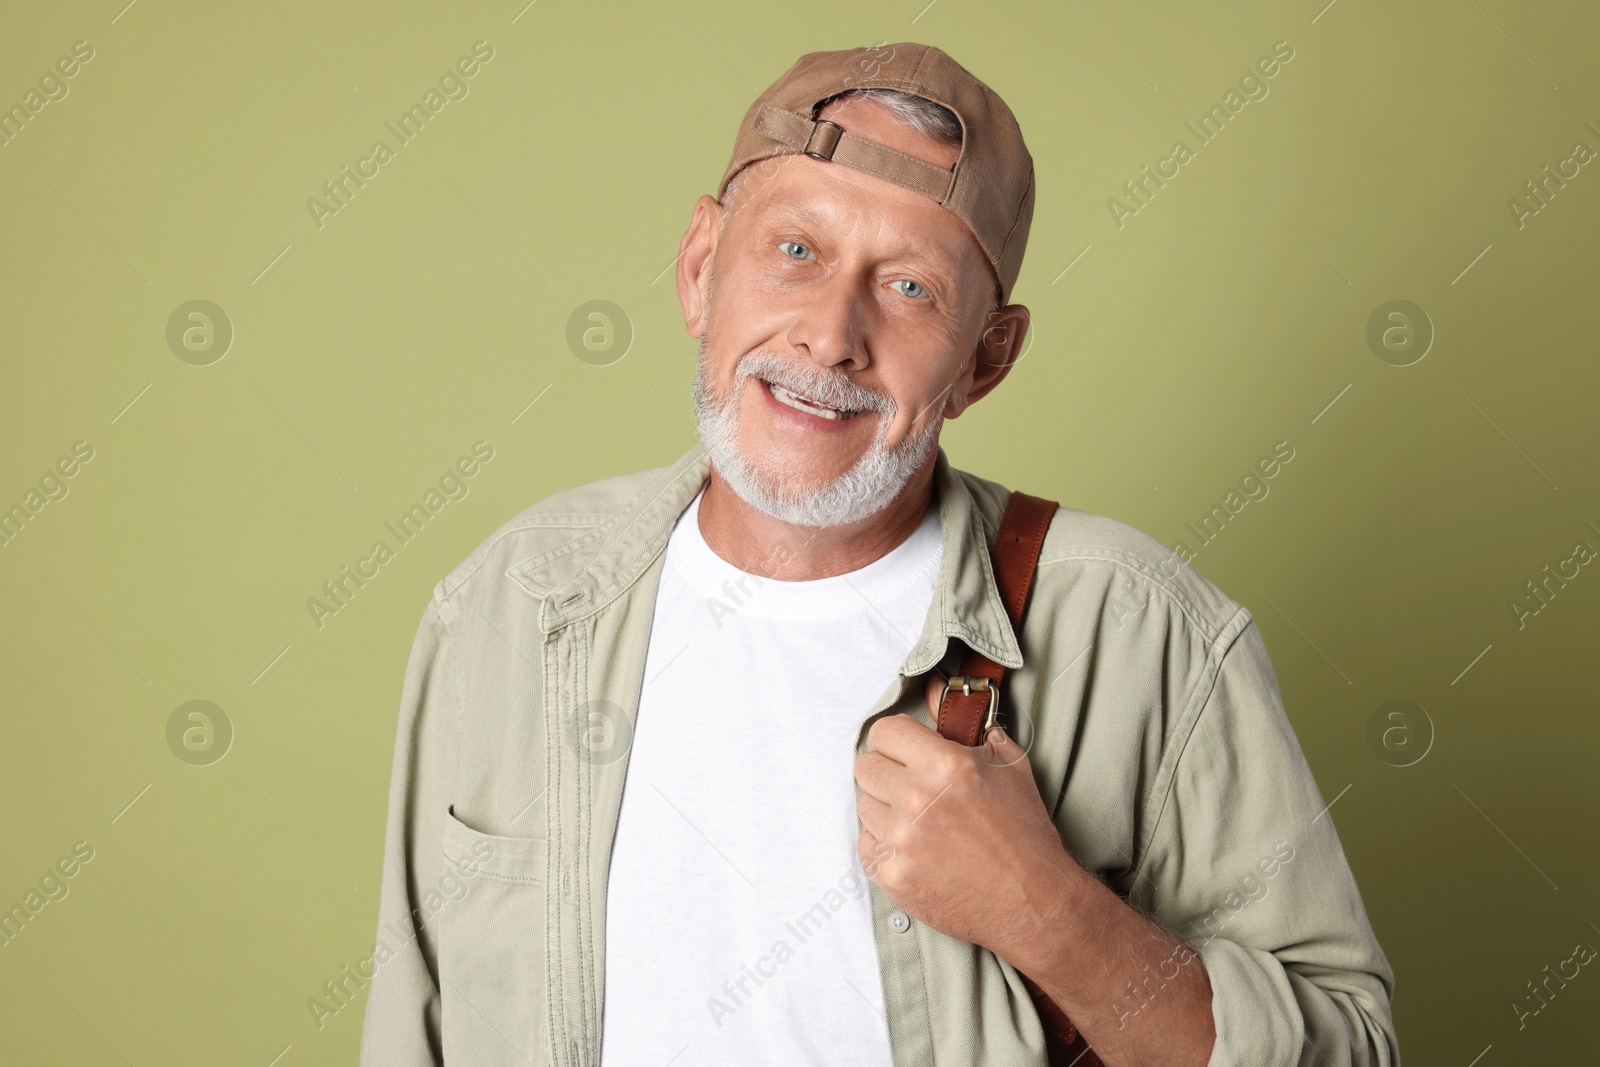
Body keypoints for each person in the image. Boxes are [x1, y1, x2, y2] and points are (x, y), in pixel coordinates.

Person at [359, 42, 1398, 1067]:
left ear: (982, 360)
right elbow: (412, 1019)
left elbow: (1350, 1051)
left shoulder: (1145, 631)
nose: (830, 336)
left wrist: (1052, 915)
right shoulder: (513, 598)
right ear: (698, 269)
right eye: (795, 251)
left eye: (909, 290)